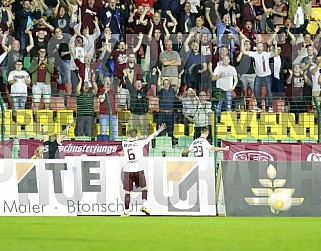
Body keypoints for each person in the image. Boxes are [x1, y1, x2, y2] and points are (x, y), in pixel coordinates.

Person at [119, 123, 166, 217]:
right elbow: (150, 137)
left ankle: (126, 212)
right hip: (138, 169)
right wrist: (159, 130)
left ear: (128, 134)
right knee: (144, 188)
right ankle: (144, 205)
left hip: (128, 170)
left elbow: (123, 150)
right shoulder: (140, 143)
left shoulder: (124, 143)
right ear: (137, 134)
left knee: (127, 192)